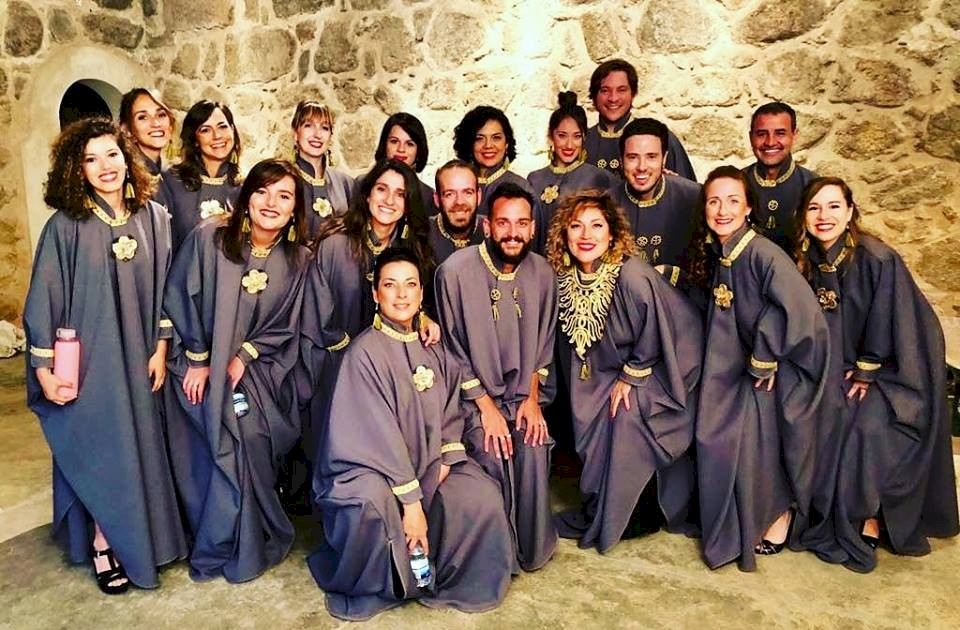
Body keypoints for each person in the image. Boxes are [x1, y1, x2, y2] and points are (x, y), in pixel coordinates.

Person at [23, 117, 186, 594]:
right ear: (76, 170)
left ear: (127, 157)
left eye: (111, 154)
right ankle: (103, 540)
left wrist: (160, 348)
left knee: (141, 448)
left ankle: (147, 538)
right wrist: (44, 369)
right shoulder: (65, 227)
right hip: (92, 362)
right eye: (90, 159)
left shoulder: (155, 218)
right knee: (102, 447)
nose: (104, 166)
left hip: (141, 358)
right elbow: (45, 298)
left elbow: (168, 289)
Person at [308, 247, 515, 621]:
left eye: (410, 285)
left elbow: (451, 407)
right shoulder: (363, 354)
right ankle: (394, 581)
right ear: (376, 294)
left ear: (421, 294)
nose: (401, 295)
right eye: (390, 285)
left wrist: (446, 459)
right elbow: (377, 436)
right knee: (372, 506)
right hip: (372, 469)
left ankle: (446, 576)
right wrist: (413, 503)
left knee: (480, 496)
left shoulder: (431, 345)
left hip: (430, 459)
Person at [793, 177, 959, 573]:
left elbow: (892, 320)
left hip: (894, 372)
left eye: (834, 206)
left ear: (850, 211)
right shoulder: (805, 260)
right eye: (814, 208)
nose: (824, 216)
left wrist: (867, 370)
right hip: (836, 368)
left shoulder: (876, 258)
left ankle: (868, 515)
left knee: (864, 426)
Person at [163, 159, 310, 583]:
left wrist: (243, 357)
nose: (271, 202)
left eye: (284, 196)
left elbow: (286, 326)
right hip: (198, 363)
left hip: (260, 369)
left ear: (295, 209)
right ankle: (219, 535)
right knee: (222, 433)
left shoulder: (298, 259)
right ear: (246, 197)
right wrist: (198, 358)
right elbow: (178, 297)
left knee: (251, 432)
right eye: (262, 191)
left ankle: (253, 531)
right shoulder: (210, 238)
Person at [686, 165, 830, 572]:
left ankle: (778, 513)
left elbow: (800, 311)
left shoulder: (763, 254)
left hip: (778, 370)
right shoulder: (722, 254)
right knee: (709, 429)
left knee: (746, 429)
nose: (723, 210)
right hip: (733, 366)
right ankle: (739, 517)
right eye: (714, 201)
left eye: (733, 200)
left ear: (749, 207)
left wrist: (767, 353)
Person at [546, 191, 703, 552]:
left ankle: (636, 514)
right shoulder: (563, 278)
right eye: (576, 226)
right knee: (591, 417)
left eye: (596, 226)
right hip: (597, 376)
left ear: (613, 233)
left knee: (625, 416)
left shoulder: (631, 275)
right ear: (564, 235)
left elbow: (666, 328)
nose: (586, 235)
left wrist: (632, 375)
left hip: (657, 372)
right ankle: (604, 504)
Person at [295, 160, 439, 512]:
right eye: (382, 189)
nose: (389, 200)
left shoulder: (411, 248)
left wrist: (423, 317)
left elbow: (413, 299)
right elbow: (317, 312)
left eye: (400, 194)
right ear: (367, 194)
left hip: (392, 364)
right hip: (337, 361)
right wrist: (351, 355)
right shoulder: (336, 244)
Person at [435, 182, 558, 571]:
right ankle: (499, 553)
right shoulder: (454, 272)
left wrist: (532, 400)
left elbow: (544, 346)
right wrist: (486, 408)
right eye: (503, 223)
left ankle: (531, 548)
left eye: (522, 223)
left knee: (534, 445)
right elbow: (450, 350)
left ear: (533, 228)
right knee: (493, 448)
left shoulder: (543, 273)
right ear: (486, 226)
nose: (513, 233)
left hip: (522, 396)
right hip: (472, 402)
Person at [453, 105, 548, 252]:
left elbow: (532, 248)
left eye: (496, 138)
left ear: (506, 143)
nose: (488, 145)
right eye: (479, 138)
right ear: (469, 144)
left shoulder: (521, 187)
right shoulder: (456, 183)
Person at [607, 118, 701, 266]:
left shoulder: (695, 196)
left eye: (651, 157)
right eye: (632, 157)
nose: (642, 167)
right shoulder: (606, 204)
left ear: (664, 159)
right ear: (621, 160)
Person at [584, 59, 696, 181]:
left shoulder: (660, 137)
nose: (613, 98)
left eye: (621, 90)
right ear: (594, 95)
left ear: (633, 93)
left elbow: (685, 189)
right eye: (605, 91)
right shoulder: (581, 142)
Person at [160, 100, 242, 252]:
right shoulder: (171, 181)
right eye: (205, 130)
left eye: (223, 127)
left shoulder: (245, 187)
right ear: (195, 140)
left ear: (232, 130)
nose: (217, 136)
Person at [744, 102, 818, 252]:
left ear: (794, 136)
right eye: (761, 134)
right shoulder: (736, 183)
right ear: (751, 137)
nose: (770, 142)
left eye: (780, 133)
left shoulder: (813, 185)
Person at [527, 91, 613, 218]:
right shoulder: (535, 179)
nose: (569, 145)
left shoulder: (597, 178)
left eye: (576, 136)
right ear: (551, 137)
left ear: (584, 138)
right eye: (562, 136)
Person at [290, 100, 355, 241]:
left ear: (331, 137)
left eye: (324, 128)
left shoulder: (346, 184)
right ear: (295, 133)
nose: (317, 135)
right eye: (308, 126)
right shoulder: (284, 179)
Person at [375, 112, 438, 216]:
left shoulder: (427, 196)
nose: (401, 149)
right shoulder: (362, 184)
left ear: (419, 151)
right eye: (394, 141)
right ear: (384, 144)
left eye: (409, 144)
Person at [429, 159, 485, 264]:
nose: (459, 202)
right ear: (437, 199)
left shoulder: (493, 232)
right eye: (449, 194)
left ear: (479, 196)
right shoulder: (421, 234)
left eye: (468, 192)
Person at [118, 88, 174, 188]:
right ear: (127, 130)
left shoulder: (168, 175)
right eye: (143, 117)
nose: (156, 123)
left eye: (161, 115)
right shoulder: (127, 177)